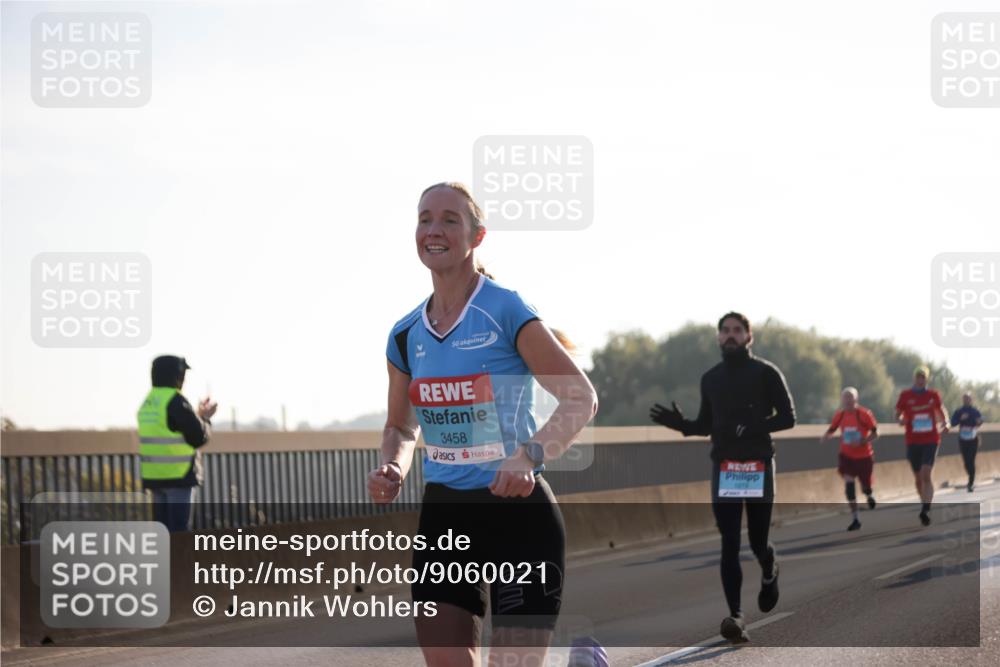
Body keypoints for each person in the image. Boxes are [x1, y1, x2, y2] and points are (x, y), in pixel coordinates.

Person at [367, 182, 598, 667]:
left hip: (518, 515)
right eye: (425, 218)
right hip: (446, 519)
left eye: (450, 220)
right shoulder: (405, 333)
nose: (434, 229)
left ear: (477, 236)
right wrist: (393, 466)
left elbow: (580, 397)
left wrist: (529, 455)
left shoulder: (505, 310)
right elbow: (401, 427)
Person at [649, 312, 795, 644]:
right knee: (729, 541)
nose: (731, 336)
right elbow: (706, 425)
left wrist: (755, 425)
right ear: (718, 337)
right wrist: (682, 424)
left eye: (737, 331)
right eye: (725, 331)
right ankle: (736, 617)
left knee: (757, 541)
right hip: (725, 467)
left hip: (757, 465)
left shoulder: (766, 373)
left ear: (749, 337)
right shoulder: (711, 379)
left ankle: (769, 568)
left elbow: (789, 417)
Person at [137, 355, 217, 532]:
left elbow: (171, 427)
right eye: (183, 376)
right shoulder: (175, 401)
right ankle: (179, 561)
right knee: (180, 534)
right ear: (177, 376)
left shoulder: (149, 402)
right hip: (178, 477)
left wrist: (197, 415)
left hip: (156, 478)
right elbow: (198, 437)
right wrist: (205, 419)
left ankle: (166, 561)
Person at [895, 365, 949, 526]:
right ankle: (924, 502)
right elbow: (897, 413)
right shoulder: (905, 395)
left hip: (931, 439)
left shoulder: (933, 395)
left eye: (923, 377)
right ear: (914, 378)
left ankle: (926, 509)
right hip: (912, 441)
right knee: (918, 478)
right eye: (918, 377)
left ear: (927, 379)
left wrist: (946, 422)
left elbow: (941, 410)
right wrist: (900, 419)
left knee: (926, 474)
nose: (920, 379)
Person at [821, 387, 879, 531]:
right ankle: (855, 518)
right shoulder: (840, 415)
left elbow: (875, 433)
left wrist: (863, 441)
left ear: (856, 399)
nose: (847, 400)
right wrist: (826, 436)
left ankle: (869, 494)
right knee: (849, 485)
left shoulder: (865, 414)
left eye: (850, 397)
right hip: (847, 456)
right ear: (842, 400)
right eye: (845, 398)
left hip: (864, 456)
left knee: (866, 486)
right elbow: (832, 428)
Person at [951, 392, 984, 492]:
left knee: (971, 459)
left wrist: (979, 422)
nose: (966, 400)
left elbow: (981, 420)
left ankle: (971, 483)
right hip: (963, 439)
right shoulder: (959, 411)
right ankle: (971, 475)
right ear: (962, 400)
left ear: (971, 400)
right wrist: (960, 419)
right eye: (965, 398)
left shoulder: (975, 411)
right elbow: (953, 423)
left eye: (968, 398)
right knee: (966, 462)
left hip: (973, 439)